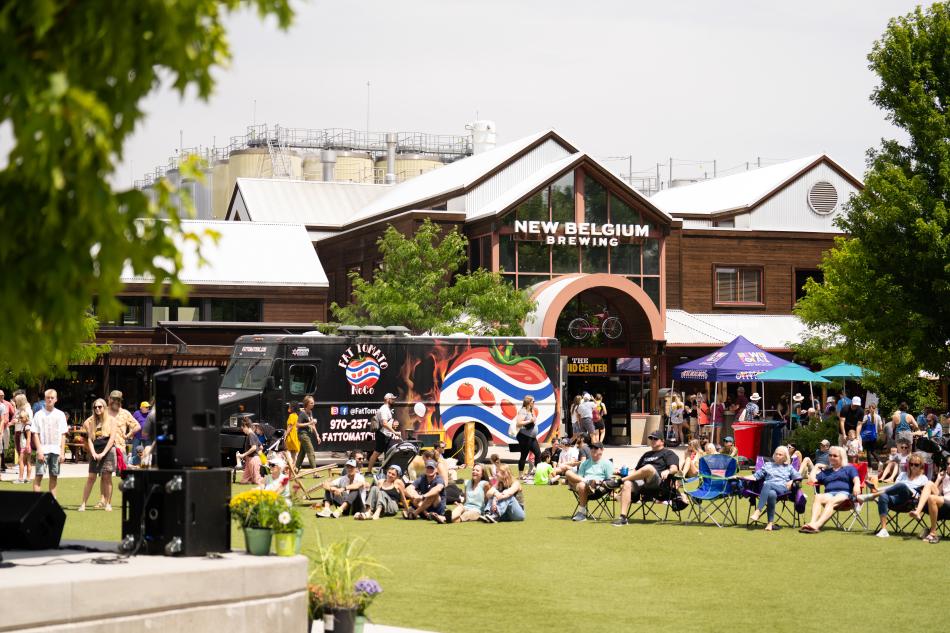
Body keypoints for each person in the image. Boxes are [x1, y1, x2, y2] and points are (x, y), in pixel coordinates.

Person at [613, 433, 681, 526]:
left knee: (648, 467)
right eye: (651, 439)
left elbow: (674, 468)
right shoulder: (646, 455)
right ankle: (623, 517)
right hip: (643, 484)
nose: (652, 440)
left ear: (662, 441)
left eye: (655, 439)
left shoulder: (668, 453)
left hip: (659, 484)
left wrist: (668, 471)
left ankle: (620, 481)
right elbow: (636, 471)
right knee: (628, 483)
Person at [856, 454, 930, 538]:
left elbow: (924, 494)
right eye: (911, 464)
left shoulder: (923, 478)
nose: (913, 466)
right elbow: (894, 488)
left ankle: (872, 494)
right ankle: (884, 530)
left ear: (921, 466)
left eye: (916, 465)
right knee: (883, 496)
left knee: (902, 485)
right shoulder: (902, 474)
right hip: (897, 498)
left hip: (910, 500)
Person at [799, 446, 861, 533]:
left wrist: (857, 486)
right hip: (829, 493)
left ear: (842, 457)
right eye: (830, 455)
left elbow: (856, 479)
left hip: (844, 495)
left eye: (835, 456)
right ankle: (812, 523)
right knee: (818, 497)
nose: (832, 457)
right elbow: (811, 481)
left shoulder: (849, 468)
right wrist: (816, 466)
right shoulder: (826, 471)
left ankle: (817, 525)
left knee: (832, 501)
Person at [746, 446, 801, 531]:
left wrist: (792, 481)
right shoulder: (767, 465)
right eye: (776, 454)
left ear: (785, 457)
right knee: (771, 494)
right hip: (769, 489)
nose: (777, 456)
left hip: (783, 489)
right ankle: (770, 524)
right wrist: (740, 477)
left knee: (767, 483)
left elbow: (798, 477)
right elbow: (756, 476)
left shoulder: (789, 467)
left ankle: (758, 511)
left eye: (780, 454)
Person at [78, 398, 118, 511]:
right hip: (95, 449)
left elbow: (112, 438)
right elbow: (90, 439)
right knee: (91, 477)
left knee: (107, 477)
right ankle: (83, 504)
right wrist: (94, 452)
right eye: (95, 407)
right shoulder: (92, 421)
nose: (97, 409)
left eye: (99, 407)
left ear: (104, 408)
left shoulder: (111, 420)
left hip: (108, 450)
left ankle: (108, 503)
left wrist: (104, 453)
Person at [31, 389, 68, 499]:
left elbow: (63, 434)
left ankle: (52, 502)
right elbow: (35, 434)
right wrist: (39, 450)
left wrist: (62, 453)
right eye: (48, 397)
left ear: (56, 399)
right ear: (45, 399)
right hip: (43, 449)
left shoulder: (60, 414)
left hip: (56, 450)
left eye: (52, 398)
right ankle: (36, 503)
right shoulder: (38, 414)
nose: (50, 399)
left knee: (54, 477)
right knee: (39, 476)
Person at [565, 442, 615, 522]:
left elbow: (609, 480)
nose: (593, 450)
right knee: (568, 472)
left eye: (596, 448)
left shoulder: (607, 463)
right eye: (591, 448)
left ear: (602, 450)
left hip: (597, 488)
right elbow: (579, 477)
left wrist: (599, 482)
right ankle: (586, 481)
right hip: (583, 485)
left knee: (582, 484)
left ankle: (582, 513)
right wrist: (585, 481)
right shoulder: (584, 463)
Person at [910, 462, 950, 543]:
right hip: (944, 501)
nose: (949, 466)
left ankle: (932, 533)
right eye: (948, 464)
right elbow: (936, 491)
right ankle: (918, 511)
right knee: (929, 484)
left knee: (932, 498)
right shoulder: (946, 477)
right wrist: (939, 479)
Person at [106, 390, 140, 473]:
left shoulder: (125, 413)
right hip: (105, 449)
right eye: (113, 399)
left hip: (120, 449)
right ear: (109, 399)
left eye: (118, 399)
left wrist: (128, 435)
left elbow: (137, 426)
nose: (115, 401)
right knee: (106, 477)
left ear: (121, 401)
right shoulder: (103, 412)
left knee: (123, 476)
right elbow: (88, 423)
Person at [367, 393, 397, 474]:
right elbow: (384, 423)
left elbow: (386, 422)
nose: (394, 400)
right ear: (387, 399)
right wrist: (394, 432)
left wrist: (392, 425)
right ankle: (368, 471)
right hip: (382, 435)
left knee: (389, 453)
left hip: (386, 434)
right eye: (392, 399)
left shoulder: (387, 409)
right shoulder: (384, 409)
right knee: (377, 453)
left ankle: (385, 471)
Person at [515, 395, 541, 478]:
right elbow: (518, 423)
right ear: (529, 402)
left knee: (538, 453)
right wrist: (530, 420)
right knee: (524, 455)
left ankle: (537, 472)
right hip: (525, 437)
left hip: (532, 437)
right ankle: (520, 475)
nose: (534, 403)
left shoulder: (531, 410)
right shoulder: (523, 410)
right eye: (533, 401)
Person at [295, 395, 321, 471]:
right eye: (311, 403)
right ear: (307, 404)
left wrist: (317, 435)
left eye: (313, 403)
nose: (313, 404)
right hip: (302, 435)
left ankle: (296, 469)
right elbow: (297, 425)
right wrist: (309, 423)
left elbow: (312, 424)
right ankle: (315, 472)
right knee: (311, 451)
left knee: (302, 453)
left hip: (307, 435)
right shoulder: (302, 413)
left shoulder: (310, 412)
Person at [13, 393, 33, 483]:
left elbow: (29, 422)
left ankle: (21, 478)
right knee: (27, 460)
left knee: (21, 460)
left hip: (24, 441)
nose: (15, 402)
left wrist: (18, 420)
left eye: (16, 400)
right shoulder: (18, 409)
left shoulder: (27, 410)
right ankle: (27, 478)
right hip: (22, 438)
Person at [237, 418, 263, 485]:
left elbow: (254, 447)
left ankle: (272, 482)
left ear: (246, 426)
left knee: (257, 480)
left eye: (243, 428)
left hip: (253, 459)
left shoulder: (251, 435)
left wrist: (243, 454)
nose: (243, 430)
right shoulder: (253, 435)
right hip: (250, 459)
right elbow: (261, 447)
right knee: (243, 481)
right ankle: (251, 480)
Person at [861, 403, 883, 468]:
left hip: (867, 435)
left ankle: (870, 466)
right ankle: (879, 462)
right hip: (874, 435)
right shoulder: (878, 417)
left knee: (868, 451)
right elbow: (881, 428)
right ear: (875, 409)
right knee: (873, 451)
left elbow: (862, 424)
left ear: (869, 408)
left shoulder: (866, 417)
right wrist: (877, 432)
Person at [131, 401, 150, 466]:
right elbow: (131, 422)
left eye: (148, 407)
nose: (148, 408)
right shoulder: (136, 413)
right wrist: (131, 433)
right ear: (141, 408)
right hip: (137, 436)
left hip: (147, 437)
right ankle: (133, 465)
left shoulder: (150, 413)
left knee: (147, 451)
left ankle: (145, 465)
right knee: (134, 451)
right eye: (146, 407)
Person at [0, 389, 12, 473]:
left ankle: (3, 463)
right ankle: (2, 464)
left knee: (5, 446)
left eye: (2, 395)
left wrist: (10, 423)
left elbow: (14, 413)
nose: (1, 397)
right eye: (0, 395)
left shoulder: (7, 404)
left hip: (5, 427)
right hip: (1, 427)